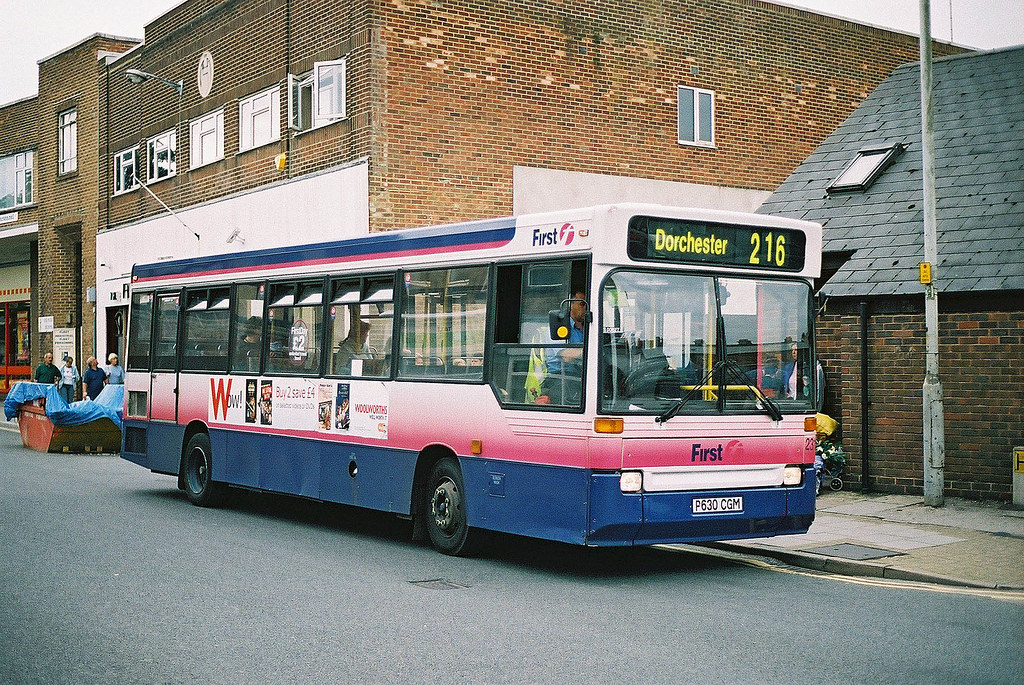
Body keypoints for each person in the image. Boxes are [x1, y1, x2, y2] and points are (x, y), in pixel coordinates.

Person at [541, 291, 587, 404]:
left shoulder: (588, 328)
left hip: (581, 375)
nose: (585, 308)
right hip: (560, 376)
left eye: (587, 304)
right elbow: (566, 356)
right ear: (571, 305)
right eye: (582, 304)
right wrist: (590, 350)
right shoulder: (559, 326)